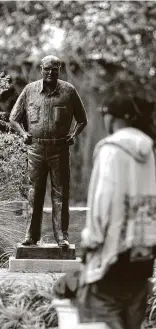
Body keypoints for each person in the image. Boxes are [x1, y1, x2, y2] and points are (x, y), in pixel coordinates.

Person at [77, 96, 156, 329]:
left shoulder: (110, 150)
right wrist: (153, 246)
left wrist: (91, 242)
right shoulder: (151, 151)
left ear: (113, 117)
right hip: (142, 259)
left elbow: (102, 202)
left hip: (111, 260)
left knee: (99, 319)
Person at [10, 55, 87, 247]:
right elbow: (14, 117)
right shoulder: (30, 91)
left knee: (60, 193)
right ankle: (30, 235)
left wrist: (74, 134)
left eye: (55, 69)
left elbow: (82, 119)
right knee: (34, 193)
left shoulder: (69, 91)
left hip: (59, 149)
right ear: (41, 69)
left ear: (59, 69)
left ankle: (62, 236)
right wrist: (23, 133)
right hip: (35, 149)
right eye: (47, 69)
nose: (50, 72)